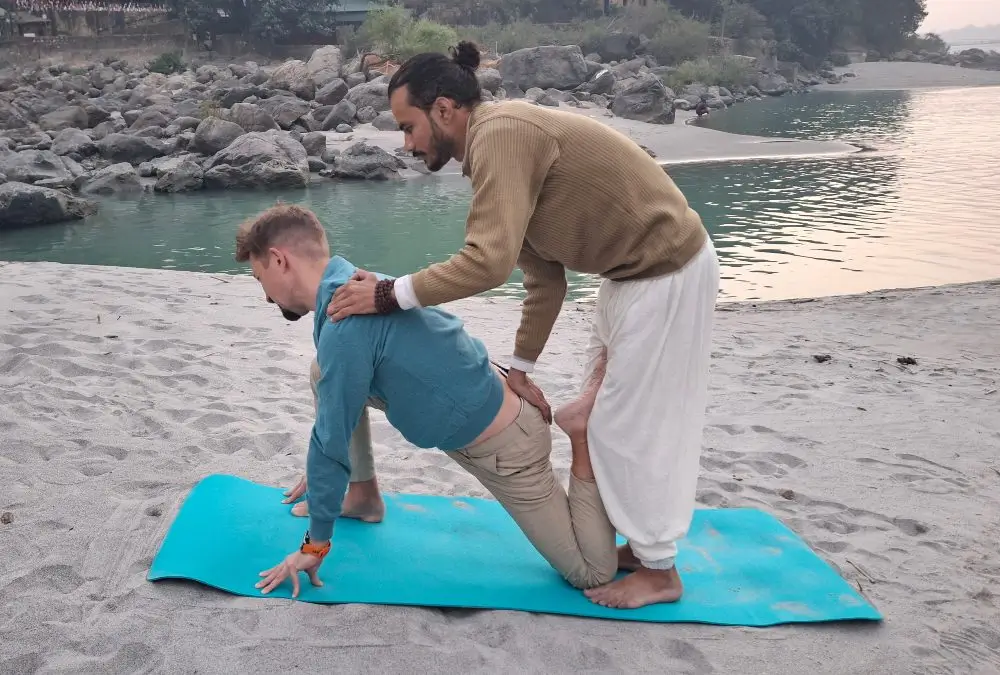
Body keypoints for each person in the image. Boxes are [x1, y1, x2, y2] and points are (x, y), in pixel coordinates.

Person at [325, 41, 721, 609]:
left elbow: (486, 262)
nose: (406, 144)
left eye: (408, 127)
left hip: (667, 272)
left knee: (633, 426)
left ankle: (660, 571)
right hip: (626, 278)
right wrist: (522, 369)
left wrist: (390, 295)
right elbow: (544, 279)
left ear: (443, 110)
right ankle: (638, 545)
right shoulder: (494, 150)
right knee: (609, 419)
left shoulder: (501, 134)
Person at [235, 203, 621, 599]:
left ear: (279, 260)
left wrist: (315, 545)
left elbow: (330, 443)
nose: (265, 295)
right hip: (483, 402)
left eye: (259, 276)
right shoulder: (359, 286)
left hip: (506, 449)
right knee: (324, 373)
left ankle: (580, 433)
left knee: (590, 573)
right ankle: (363, 496)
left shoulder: (344, 325)